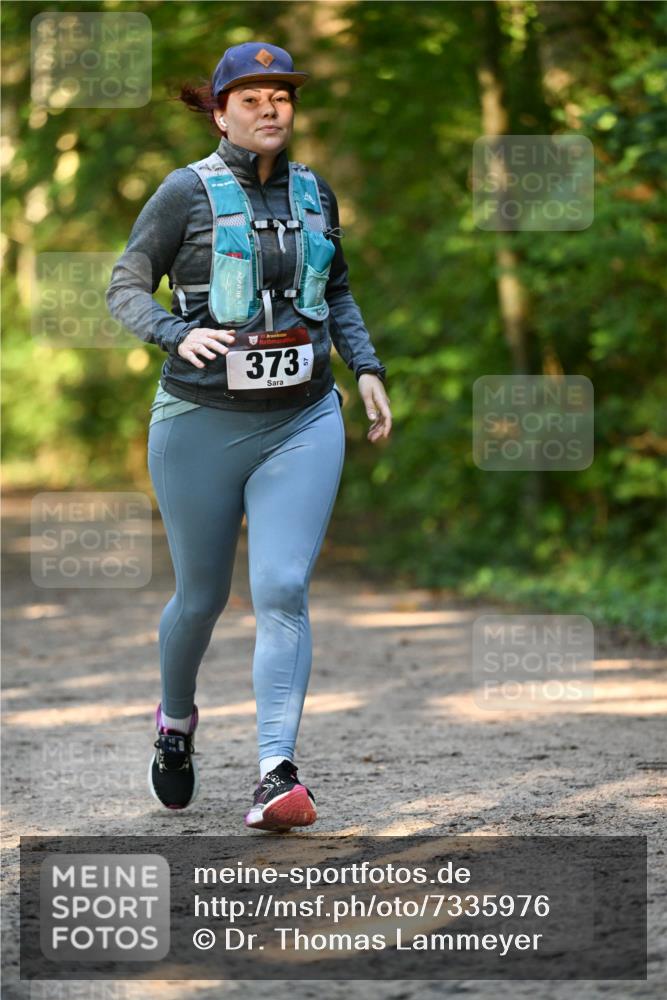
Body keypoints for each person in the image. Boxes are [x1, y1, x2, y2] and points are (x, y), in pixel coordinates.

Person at [106, 41, 391, 832]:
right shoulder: (182, 193)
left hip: (303, 417)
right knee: (201, 597)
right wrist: (171, 331)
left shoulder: (315, 193)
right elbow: (123, 284)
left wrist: (364, 368)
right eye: (255, 98)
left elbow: (335, 290)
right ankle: (174, 721)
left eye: (284, 97)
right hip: (199, 422)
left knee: (282, 589)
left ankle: (275, 773)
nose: (273, 110)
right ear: (222, 110)